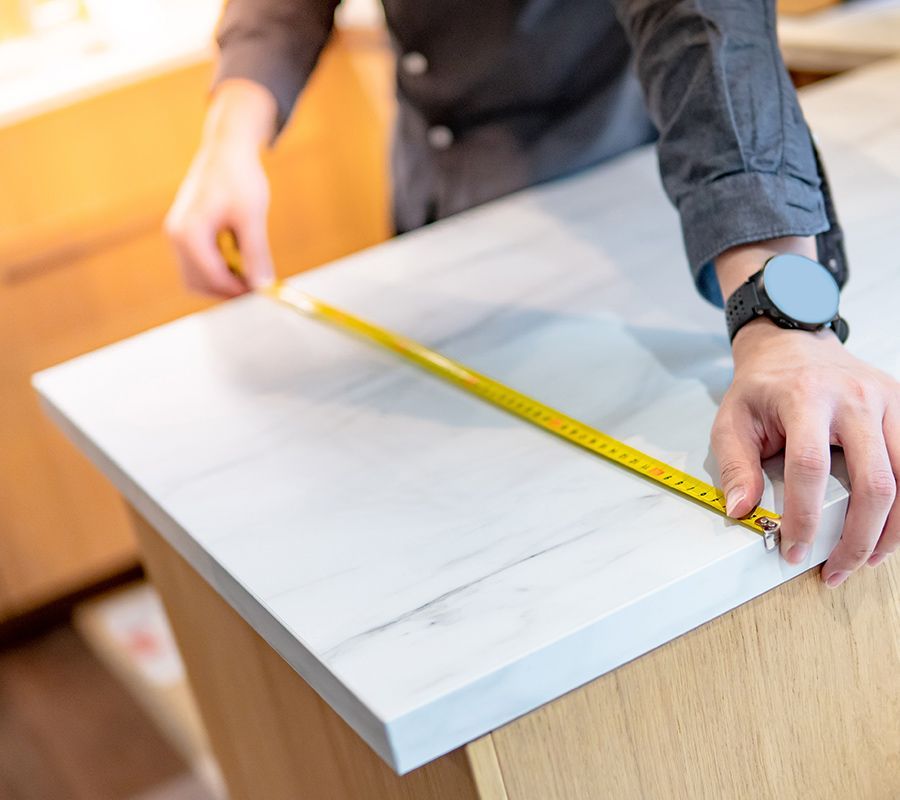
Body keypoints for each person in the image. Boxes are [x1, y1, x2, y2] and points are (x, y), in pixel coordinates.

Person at [166, 0, 900, 588]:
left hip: (616, 190)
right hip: (434, 206)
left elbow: (701, 17)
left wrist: (779, 321)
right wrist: (234, 124)